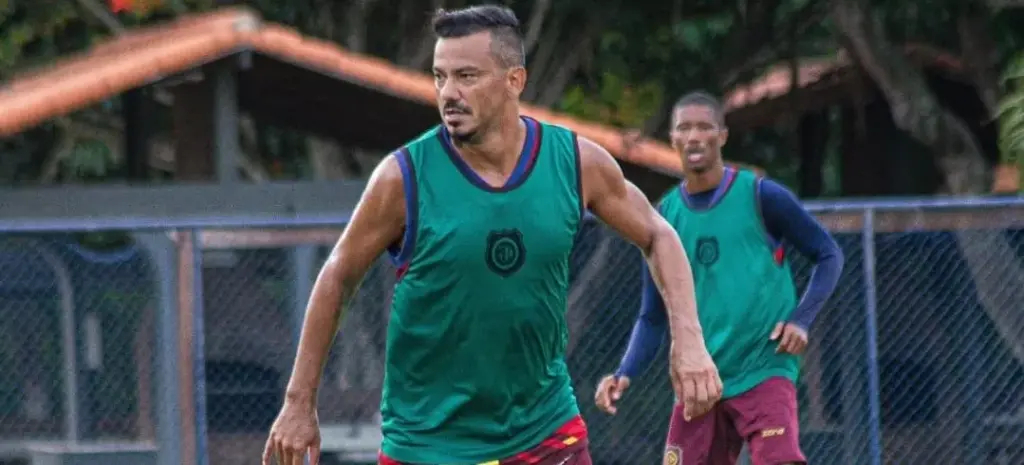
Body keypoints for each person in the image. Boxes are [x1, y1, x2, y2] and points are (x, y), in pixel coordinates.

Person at [262, 7, 722, 465]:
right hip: (429, 445)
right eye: (440, 77)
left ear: (514, 81)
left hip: (545, 433)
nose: (449, 93)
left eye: (466, 76)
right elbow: (338, 276)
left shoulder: (576, 164)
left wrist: (690, 340)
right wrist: (299, 402)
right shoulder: (403, 178)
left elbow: (659, 236)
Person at [595, 91, 844, 465]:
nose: (694, 136)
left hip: (763, 366)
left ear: (722, 136)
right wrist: (625, 372)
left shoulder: (762, 196)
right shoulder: (664, 217)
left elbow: (829, 254)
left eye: (704, 127)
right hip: (699, 379)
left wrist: (801, 320)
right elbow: (652, 315)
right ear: (673, 138)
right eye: (684, 128)